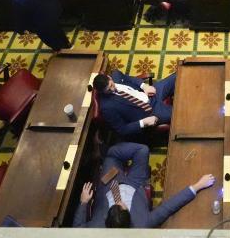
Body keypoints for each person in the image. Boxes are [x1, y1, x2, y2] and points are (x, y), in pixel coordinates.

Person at [74, 142, 214, 228]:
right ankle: (108, 153)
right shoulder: (143, 223)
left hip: (109, 182)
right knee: (142, 152)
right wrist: (198, 185)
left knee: (121, 154)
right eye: (122, 206)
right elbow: (168, 207)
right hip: (136, 183)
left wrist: (83, 202)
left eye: (117, 204)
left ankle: (104, 151)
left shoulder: (95, 227)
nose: (120, 201)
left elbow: (77, 227)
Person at [93, 69, 179, 138]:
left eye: (111, 85)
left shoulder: (116, 75)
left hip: (150, 93)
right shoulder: (107, 108)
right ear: (102, 92)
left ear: (109, 78)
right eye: (108, 90)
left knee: (179, 75)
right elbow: (122, 129)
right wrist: (143, 122)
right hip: (150, 111)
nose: (112, 90)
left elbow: (130, 79)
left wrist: (144, 86)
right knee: (182, 113)